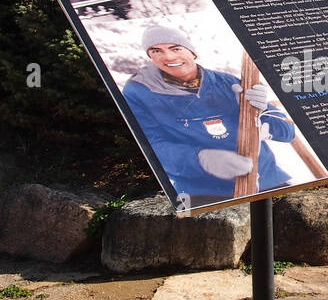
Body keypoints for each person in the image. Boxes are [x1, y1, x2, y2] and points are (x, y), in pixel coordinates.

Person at [122, 25, 295, 206]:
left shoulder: (227, 82)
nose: (169, 57)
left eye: (176, 48)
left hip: (266, 180)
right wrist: (201, 160)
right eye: (156, 50)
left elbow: (287, 131)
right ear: (150, 56)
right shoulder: (139, 91)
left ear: (192, 52)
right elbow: (150, 145)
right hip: (203, 191)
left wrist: (263, 118)